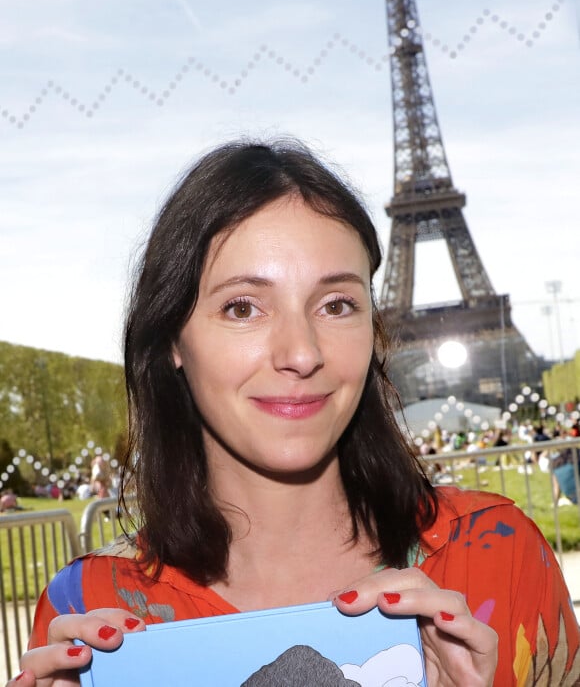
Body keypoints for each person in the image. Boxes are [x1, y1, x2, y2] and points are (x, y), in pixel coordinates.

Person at [10, 140, 579, 686]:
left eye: (337, 304)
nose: (302, 353)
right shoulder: (85, 614)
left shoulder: (499, 557)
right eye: (242, 307)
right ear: (173, 341)